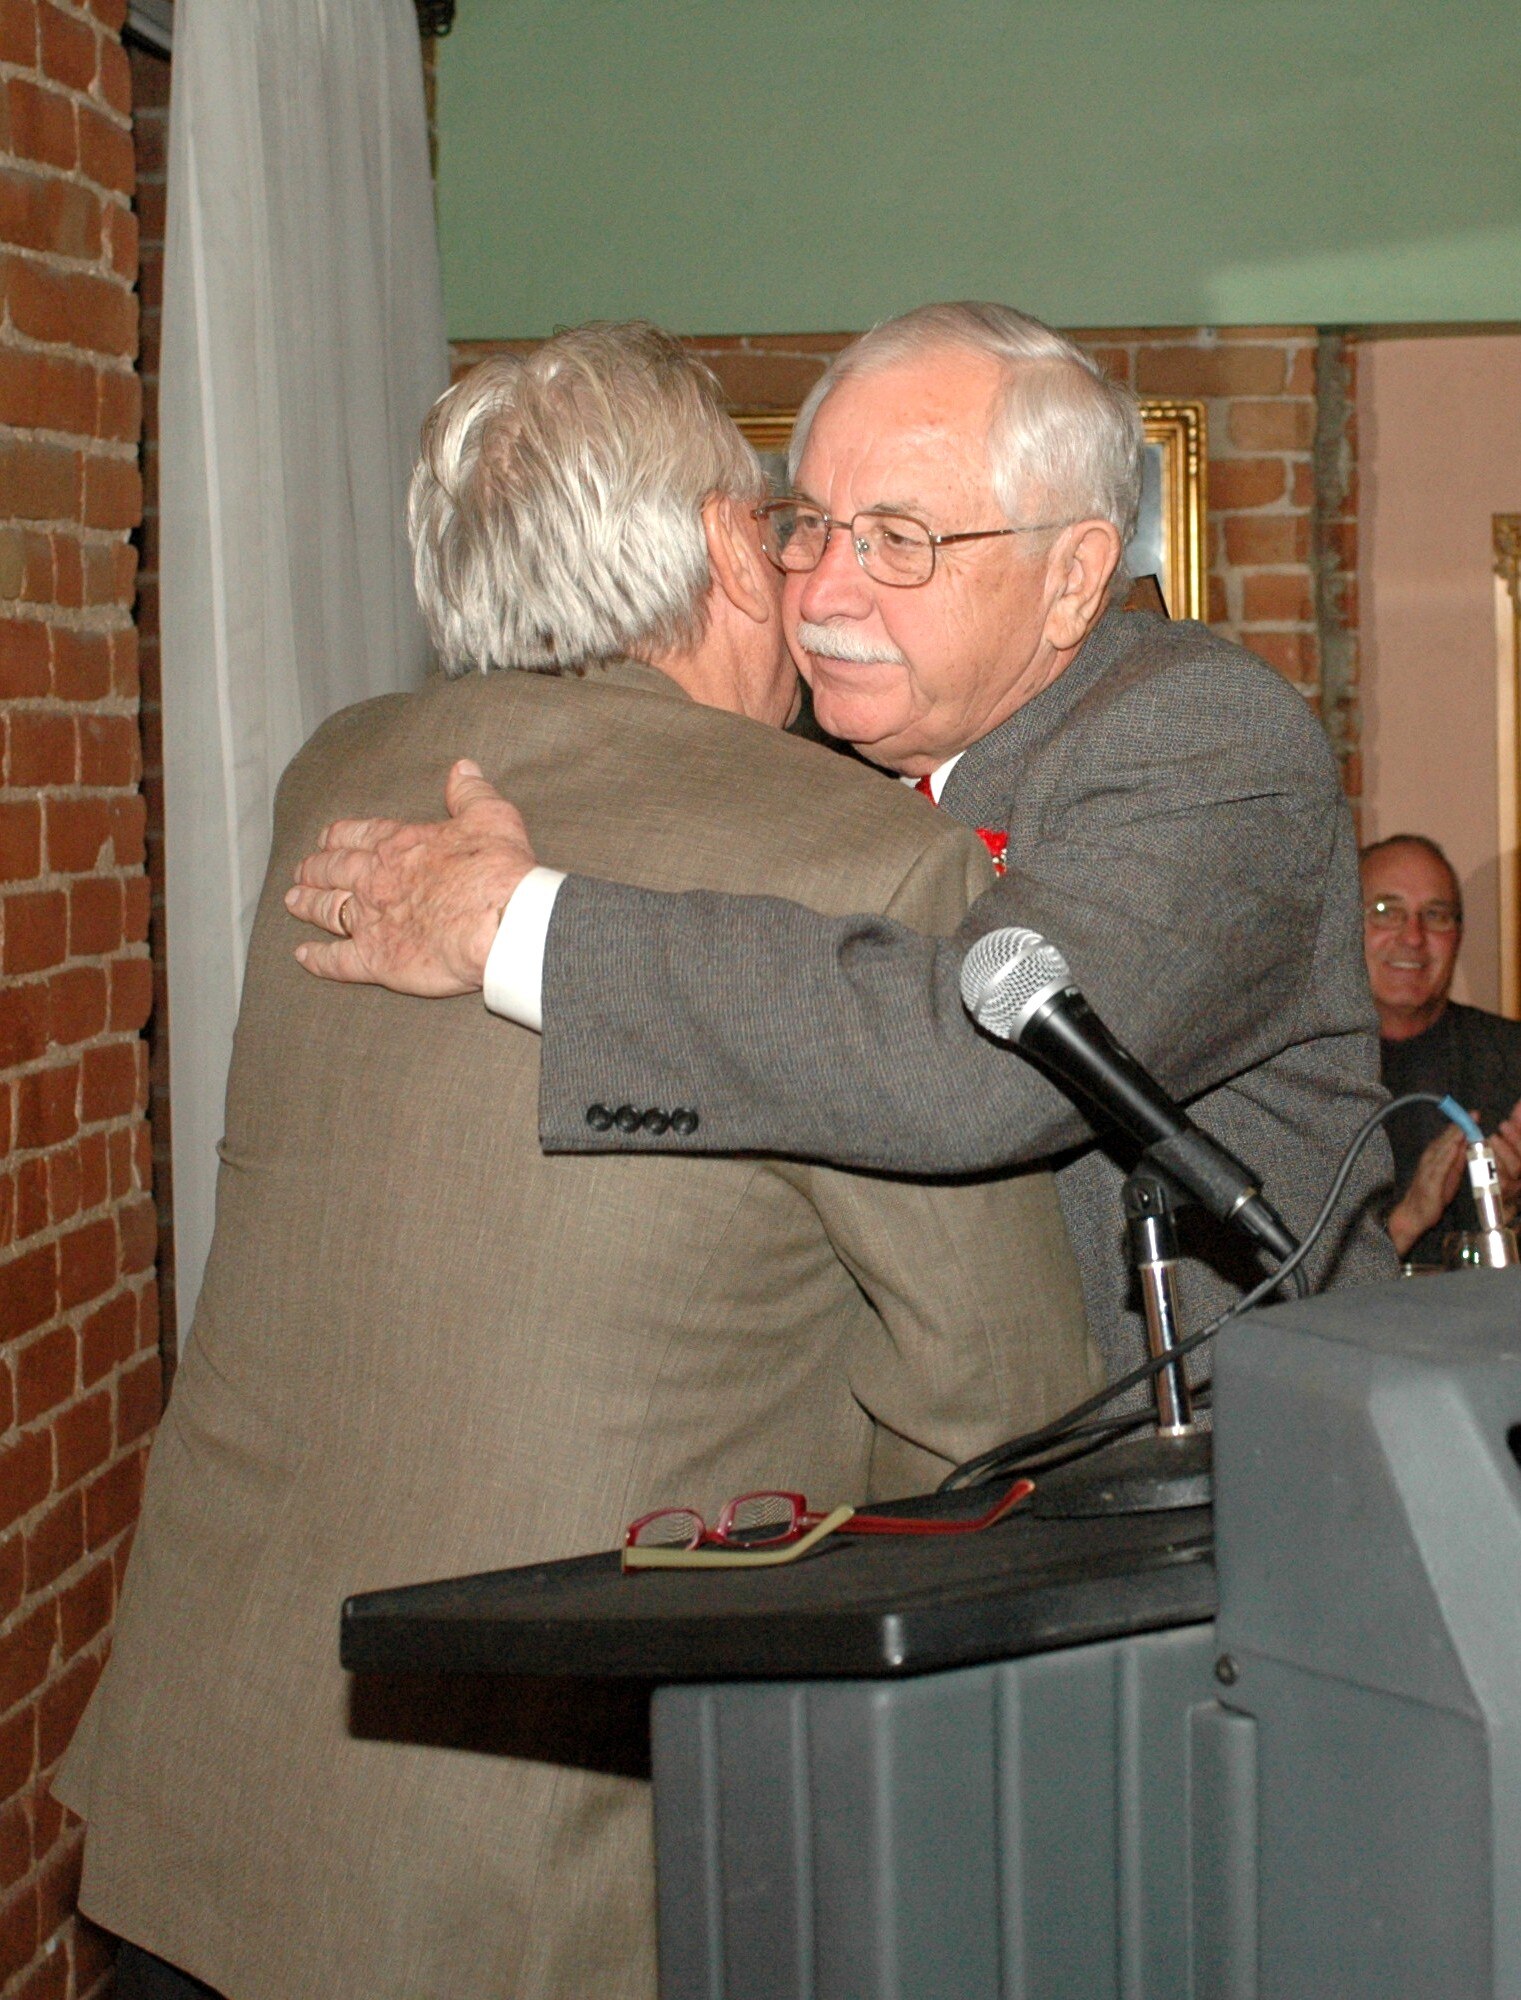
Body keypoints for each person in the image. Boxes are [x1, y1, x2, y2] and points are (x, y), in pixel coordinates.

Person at [55, 325, 1099, 2000]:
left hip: (225, 1769)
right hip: (535, 1854)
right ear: (711, 551)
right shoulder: (856, 856)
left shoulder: (344, 773)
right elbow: (996, 1397)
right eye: (777, 530)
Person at [290, 301, 1396, 1383]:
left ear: (1071, 579)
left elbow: (973, 1065)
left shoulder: (1199, 736)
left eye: (898, 542)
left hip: (1239, 1464)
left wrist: (516, 927)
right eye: (808, 523)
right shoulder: (801, 755)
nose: (821, 589)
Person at [1361, 832, 1521, 1263]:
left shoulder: (1513, 1059)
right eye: (1385, 911)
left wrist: (1508, 1215)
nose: (1412, 936)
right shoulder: (1296, 1075)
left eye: (1435, 915)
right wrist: (1408, 1219)